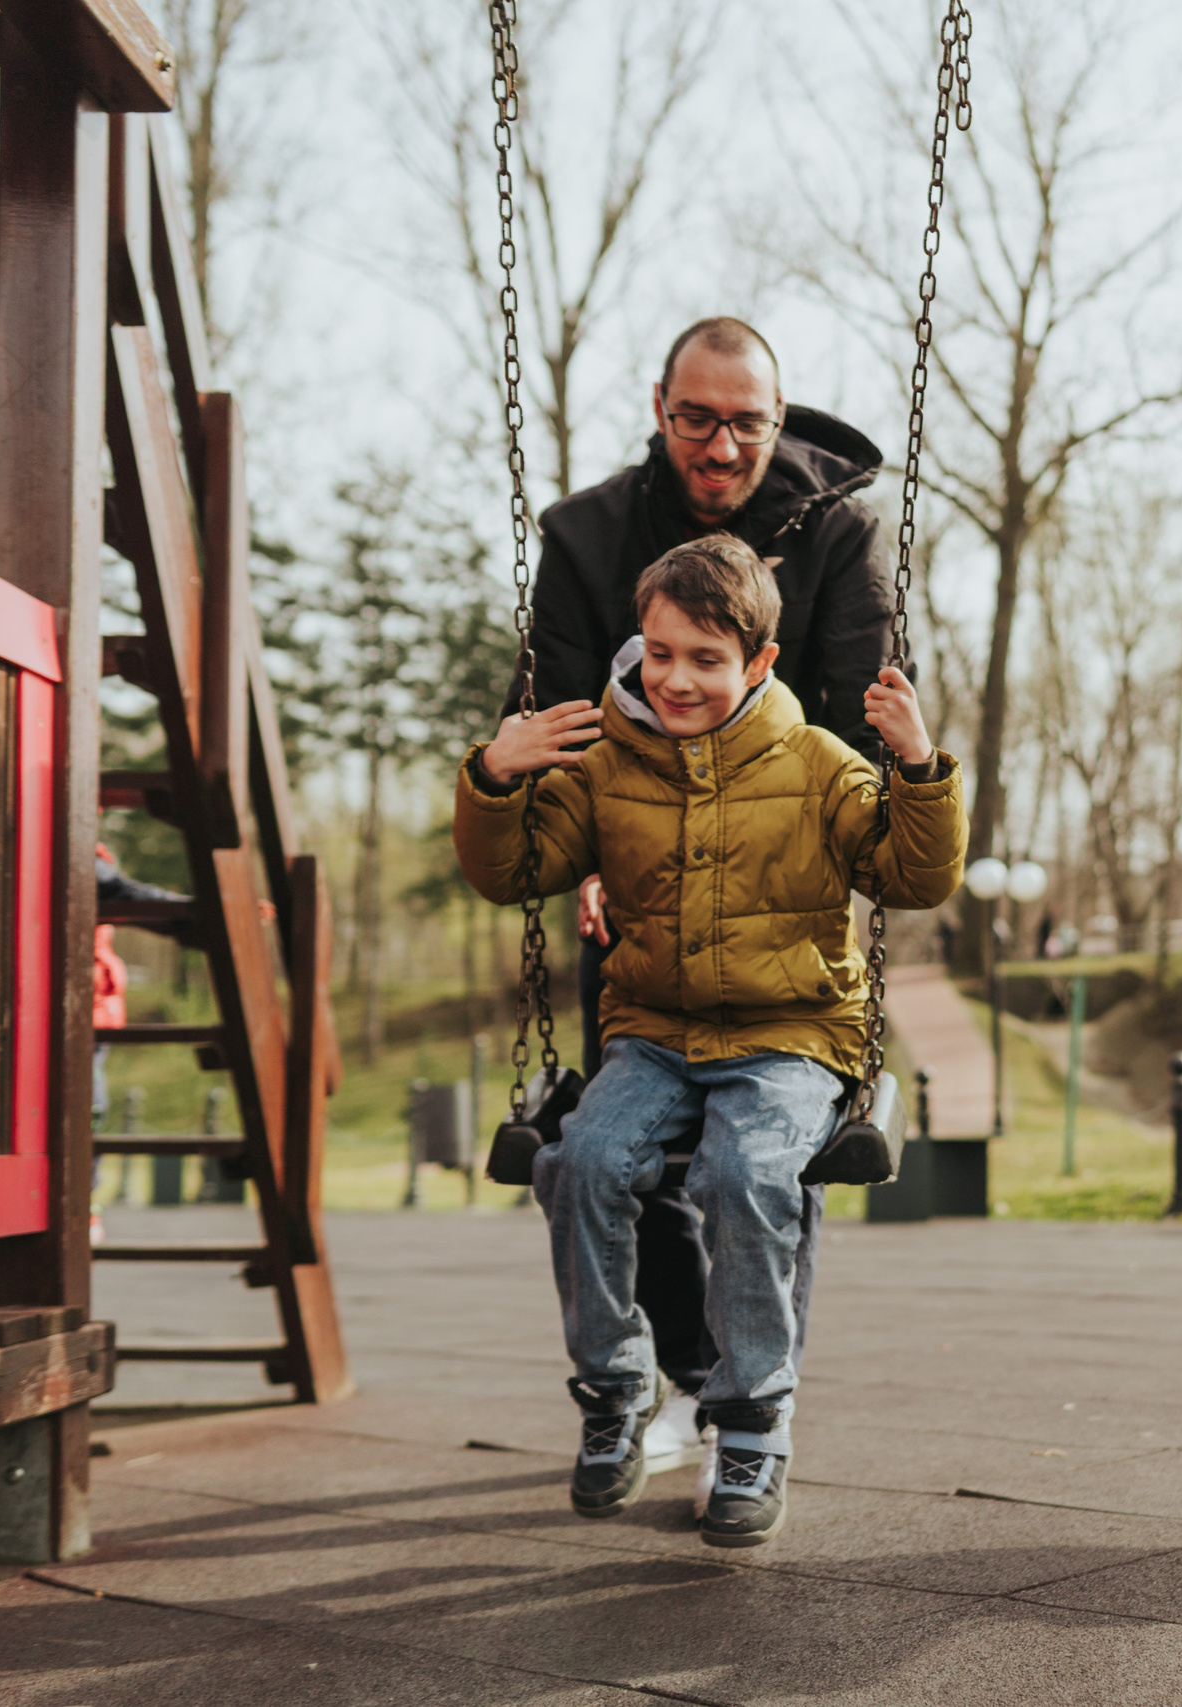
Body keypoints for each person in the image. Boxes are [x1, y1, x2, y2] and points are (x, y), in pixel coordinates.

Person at [457, 534, 965, 1546]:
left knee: (744, 1175)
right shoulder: (604, 768)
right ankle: (615, 1391)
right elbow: (514, 872)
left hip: (792, 1032)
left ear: (758, 664)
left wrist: (916, 767)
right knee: (581, 1162)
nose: (676, 678)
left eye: (704, 657)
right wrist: (495, 777)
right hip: (653, 1034)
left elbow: (913, 878)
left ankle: (751, 1425)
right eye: (659, 653)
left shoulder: (820, 762)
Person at [511, 316, 896, 1475]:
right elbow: (558, 716)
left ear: (777, 422)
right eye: (695, 419)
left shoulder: (838, 531)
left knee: (762, 1160)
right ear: (658, 407)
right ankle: (690, 1375)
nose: (720, 445)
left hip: (785, 888)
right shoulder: (587, 537)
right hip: (634, 884)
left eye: (745, 422)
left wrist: (830, 840)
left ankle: (752, 1402)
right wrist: (586, 858)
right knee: (621, 1149)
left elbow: (862, 710)